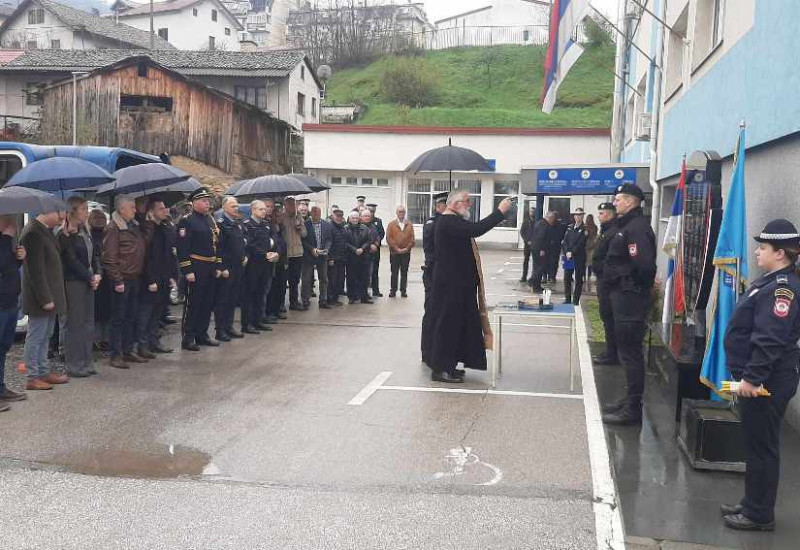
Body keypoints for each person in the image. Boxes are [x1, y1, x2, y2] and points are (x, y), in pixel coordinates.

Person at [719, 219, 800, 532]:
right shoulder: (770, 281)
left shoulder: (782, 289)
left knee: (763, 447)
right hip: (759, 378)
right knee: (755, 444)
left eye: (763, 247)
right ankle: (752, 501)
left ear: (780, 253)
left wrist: (752, 380)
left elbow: (769, 339)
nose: (756, 252)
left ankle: (759, 514)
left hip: (766, 381)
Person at [427, 189, 513, 383]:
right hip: (450, 286)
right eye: (467, 201)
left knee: (459, 325)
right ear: (455, 203)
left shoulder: (454, 220)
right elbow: (477, 229)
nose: (470, 204)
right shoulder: (448, 222)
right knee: (447, 326)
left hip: (459, 285)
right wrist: (500, 212)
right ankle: (440, 369)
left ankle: (450, 364)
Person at [600, 184, 656, 425]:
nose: (616, 202)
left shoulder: (637, 228)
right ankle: (629, 399)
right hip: (622, 296)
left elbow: (644, 267)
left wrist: (630, 286)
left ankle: (633, 409)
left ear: (632, 201)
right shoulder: (625, 226)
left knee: (631, 354)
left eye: (619, 199)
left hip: (630, 299)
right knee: (627, 353)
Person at [20, 208, 69, 390]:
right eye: (59, 212)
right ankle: (33, 376)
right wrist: (45, 298)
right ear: (48, 212)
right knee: (36, 336)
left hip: (50, 295)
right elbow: (35, 271)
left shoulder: (44, 231)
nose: (62, 216)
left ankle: (43, 371)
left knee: (46, 335)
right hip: (40, 298)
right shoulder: (33, 232)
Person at [58, 196, 101, 377]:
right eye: (83, 209)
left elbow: (95, 255)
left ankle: (87, 360)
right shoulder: (65, 234)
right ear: (73, 211)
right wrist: (89, 276)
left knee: (88, 323)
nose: (87, 212)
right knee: (75, 325)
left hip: (89, 280)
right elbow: (70, 260)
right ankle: (75, 364)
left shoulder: (86, 230)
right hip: (73, 281)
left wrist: (98, 273)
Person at [103, 195, 148, 369]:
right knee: (118, 318)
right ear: (122, 209)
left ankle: (128, 350)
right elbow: (110, 257)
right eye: (132, 207)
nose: (135, 210)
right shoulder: (114, 228)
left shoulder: (134, 226)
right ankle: (115, 354)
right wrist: (117, 280)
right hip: (121, 279)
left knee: (131, 317)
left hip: (134, 277)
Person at [176, 187, 221, 351]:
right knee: (194, 304)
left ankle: (202, 334)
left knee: (207, 303)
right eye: (203, 201)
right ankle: (188, 337)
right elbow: (182, 248)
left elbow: (215, 245)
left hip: (209, 266)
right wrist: (187, 270)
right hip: (196, 266)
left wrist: (217, 265)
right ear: (194, 202)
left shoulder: (209, 220)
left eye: (208, 201)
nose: (207, 203)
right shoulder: (186, 221)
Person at [137, 197, 178, 356]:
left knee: (157, 313)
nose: (165, 211)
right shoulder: (147, 229)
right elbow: (146, 257)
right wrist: (150, 279)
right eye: (160, 208)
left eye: (165, 208)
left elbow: (170, 254)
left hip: (164, 277)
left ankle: (154, 342)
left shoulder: (165, 228)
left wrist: (173, 275)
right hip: (151, 279)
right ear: (151, 211)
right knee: (145, 314)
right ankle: (142, 345)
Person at [0, 215, 26, 407]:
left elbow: (7, 268)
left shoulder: (5, 242)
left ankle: (1, 388)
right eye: (7, 220)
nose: (12, 225)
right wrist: (6, 238)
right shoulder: (4, 240)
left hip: (9, 301)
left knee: (4, 347)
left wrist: (19, 259)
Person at [242, 200, 279, 333]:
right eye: (261, 209)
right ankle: (247, 324)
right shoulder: (247, 225)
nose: (264, 211)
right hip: (253, 265)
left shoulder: (267, 225)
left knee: (262, 294)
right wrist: (265, 254)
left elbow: (275, 240)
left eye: (265, 209)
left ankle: (258, 320)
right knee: (250, 295)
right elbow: (250, 245)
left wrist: (275, 253)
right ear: (253, 210)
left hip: (266, 265)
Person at [214, 196, 247, 340]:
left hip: (238, 266)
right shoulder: (221, 224)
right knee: (223, 299)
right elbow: (219, 247)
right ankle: (220, 330)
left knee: (233, 299)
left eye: (237, 206)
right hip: (227, 268)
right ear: (225, 208)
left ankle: (229, 326)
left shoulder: (237, 223)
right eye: (233, 206)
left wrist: (244, 256)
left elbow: (239, 243)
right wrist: (222, 266)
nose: (236, 208)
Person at [421, 192, 448, 363]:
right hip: (433, 273)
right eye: (446, 205)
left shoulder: (446, 222)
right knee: (431, 313)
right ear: (439, 207)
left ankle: (436, 351)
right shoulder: (432, 224)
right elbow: (431, 251)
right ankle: (427, 351)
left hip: (443, 274)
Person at [591, 203, 619, 365]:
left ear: (609, 215)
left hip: (608, 282)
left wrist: (603, 272)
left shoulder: (612, 232)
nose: (599, 216)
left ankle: (612, 353)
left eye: (601, 213)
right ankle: (610, 351)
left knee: (609, 318)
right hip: (603, 281)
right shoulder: (606, 231)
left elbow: (610, 259)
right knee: (606, 317)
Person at [88, 209, 111, 351]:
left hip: (102, 277)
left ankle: (100, 338)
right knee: (100, 311)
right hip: (100, 276)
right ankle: (101, 338)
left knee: (101, 311)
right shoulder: (99, 236)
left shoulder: (93, 236)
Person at [302, 206, 333, 309]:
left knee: (324, 279)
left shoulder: (326, 225)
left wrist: (326, 250)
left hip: (322, 256)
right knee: (306, 279)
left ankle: (323, 300)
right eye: (314, 213)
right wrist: (312, 249)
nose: (316, 215)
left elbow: (329, 239)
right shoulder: (305, 225)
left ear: (320, 213)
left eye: (318, 213)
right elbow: (303, 241)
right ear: (310, 214)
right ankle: (305, 300)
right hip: (309, 255)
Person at [282, 197, 308, 311]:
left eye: (294, 205)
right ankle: (280, 304)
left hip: (297, 253)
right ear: (285, 205)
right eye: (290, 205)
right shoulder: (281, 217)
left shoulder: (299, 217)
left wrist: (299, 227)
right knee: (283, 280)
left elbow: (304, 234)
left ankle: (294, 302)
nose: (293, 207)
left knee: (295, 280)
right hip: (285, 254)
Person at [386, 205, 415, 298]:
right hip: (394, 253)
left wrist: (407, 248)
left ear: (405, 213)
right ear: (396, 213)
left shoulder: (409, 224)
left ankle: (403, 291)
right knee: (394, 272)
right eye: (399, 212)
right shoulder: (391, 224)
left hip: (406, 253)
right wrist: (396, 248)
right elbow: (389, 238)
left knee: (404, 272)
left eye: (403, 212)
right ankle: (393, 291)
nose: (401, 213)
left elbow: (412, 239)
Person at [344, 211, 372, 304]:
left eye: (356, 218)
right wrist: (354, 249)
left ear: (359, 218)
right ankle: (351, 297)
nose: (355, 220)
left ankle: (364, 297)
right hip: (351, 257)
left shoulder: (365, 228)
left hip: (363, 257)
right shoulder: (345, 229)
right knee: (351, 278)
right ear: (349, 218)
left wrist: (362, 249)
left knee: (364, 278)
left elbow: (369, 240)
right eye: (353, 218)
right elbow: (344, 242)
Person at [266, 208, 289, 322]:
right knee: (272, 289)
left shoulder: (281, 229)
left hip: (281, 262)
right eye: (278, 216)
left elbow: (284, 246)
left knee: (281, 288)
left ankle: (277, 310)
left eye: (281, 216)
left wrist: (285, 261)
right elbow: (274, 245)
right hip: (273, 263)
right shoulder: (270, 228)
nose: (280, 218)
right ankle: (270, 312)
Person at [562, 207, 588, 305]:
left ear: (582, 216)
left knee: (578, 279)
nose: (578, 217)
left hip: (578, 257)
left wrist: (572, 252)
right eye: (576, 215)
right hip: (568, 257)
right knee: (567, 278)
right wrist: (567, 252)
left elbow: (581, 243)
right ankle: (567, 299)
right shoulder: (570, 227)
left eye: (580, 215)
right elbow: (565, 241)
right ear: (574, 216)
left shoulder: (585, 229)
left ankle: (575, 300)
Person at [528, 212, 555, 292]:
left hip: (535, 248)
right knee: (540, 267)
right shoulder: (544, 225)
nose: (553, 221)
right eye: (552, 219)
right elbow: (541, 237)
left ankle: (537, 286)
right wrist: (542, 249)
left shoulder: (539, 222)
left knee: (537, 267)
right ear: (549, 218)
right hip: (540, 249)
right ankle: (532, 281)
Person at [326, 208, 347, 307]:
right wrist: (330, 258)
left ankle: (335, 299)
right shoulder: (330, 227)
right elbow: (328, 244)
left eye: (340, 216)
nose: (339, 218)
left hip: (341, 258)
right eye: (337, 216)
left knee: (339, 280)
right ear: (332, 216)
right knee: (332, 280)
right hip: (333, 259)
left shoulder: (342, 227)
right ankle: (329, 299)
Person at [361, 209, 381, 298]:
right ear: (361, 217)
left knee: (369, 274)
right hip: (362, 255)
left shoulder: (373, 226)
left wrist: (376, 244)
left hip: (372, 255)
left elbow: (377, 236)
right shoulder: (359, 226)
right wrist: (370, 246)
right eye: (365, 216)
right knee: (362, 275)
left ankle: (366, 293)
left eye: (368, 216)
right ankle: (361, 293)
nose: (367, 218)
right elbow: (360, 240)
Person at [366, 203, 385, 297]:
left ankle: (375, 290)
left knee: (375, 270)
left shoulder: (378, 221)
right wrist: (369, 245)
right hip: (366, 250)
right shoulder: (363, 221)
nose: (372, 212)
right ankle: (365, 291)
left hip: (376, 250)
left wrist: (377, 244)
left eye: (373, 211)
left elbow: (381, 233)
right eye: (370, 210)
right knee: (366, 271)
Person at [519, 206, 537, 282]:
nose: (532, 213)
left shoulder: (537, 221)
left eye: (533, 212)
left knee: (535, 261)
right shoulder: (526, 221)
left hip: (535, 244)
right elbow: (522, 232)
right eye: (530, 211)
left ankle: (534, 277)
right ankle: (524, 276)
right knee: (526, 260)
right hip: (527, 244)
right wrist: (527, 240)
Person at [547, 213, 564, 283]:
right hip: (549, 247)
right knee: (549, 262)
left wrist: (554, 241)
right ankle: (549, 276)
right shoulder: (548, 225)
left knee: (554, 263)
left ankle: (552, 277)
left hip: (555, 247)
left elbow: (560, 235)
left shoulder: (559, 226)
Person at [584, 214, 599, 294]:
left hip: (586, 246)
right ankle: (589, 276)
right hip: (592, 246)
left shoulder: (585, 227)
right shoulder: (595, 227)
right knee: (590, 263)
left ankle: (584, 277)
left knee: (585, 263)